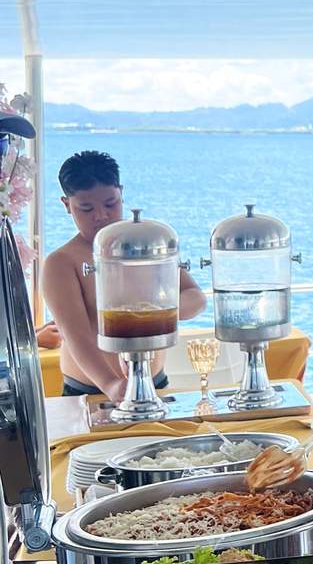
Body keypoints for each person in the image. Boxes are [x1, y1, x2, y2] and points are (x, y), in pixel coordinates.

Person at [45, 151, 206, 400]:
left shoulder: (149, 245)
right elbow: (75, 335)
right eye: (86, 208)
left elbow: (196, 298)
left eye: (110, 204)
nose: (101, 215)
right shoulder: (61, 263)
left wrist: (155, 310)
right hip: (91, 392)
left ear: (121, 192)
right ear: (67, 205)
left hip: (155, 384)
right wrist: (110, 384)